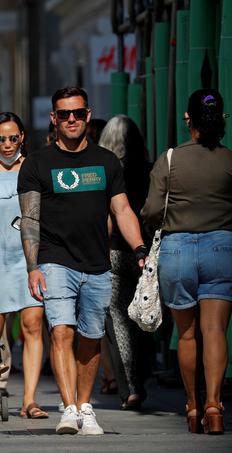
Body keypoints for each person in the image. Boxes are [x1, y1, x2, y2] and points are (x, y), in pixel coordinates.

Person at [17, 87, 146, 436]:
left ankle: (85, 406)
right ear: (53, 119)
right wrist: (32, 267)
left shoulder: (106, 162)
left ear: (88, 116)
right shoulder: (37, 164)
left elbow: (122, 209)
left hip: (97, 263)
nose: (70, 119)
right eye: (63, 114)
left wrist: (139, 250)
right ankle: (69, 408)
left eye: (76, 113)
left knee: (90, 337)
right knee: (61, 331)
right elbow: (29, 220)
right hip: (54, 260)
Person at [142, 88, 232, 435]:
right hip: (222, 248)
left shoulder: (169, 160)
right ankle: (214, 405)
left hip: (178, 250)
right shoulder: (228, 160)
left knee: (188, 334)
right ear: (221, 119)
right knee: (215, 331)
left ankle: (193, 407)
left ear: (187, 119)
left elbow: (151, 210)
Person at [0, 112, 47, 419]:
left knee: (33, 325)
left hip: (28, 259)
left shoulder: (35, 168)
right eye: (0, 139)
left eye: (13, 138)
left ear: (23, 137)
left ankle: (30, 400)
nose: (7, 145)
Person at [98, 115, 153, 410]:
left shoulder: (105, 171)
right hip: (145, 250)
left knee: (118, 318)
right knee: (146, 312)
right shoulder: (149, 169)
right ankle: (144, 372)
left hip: (113, 250)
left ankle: (130, 386)